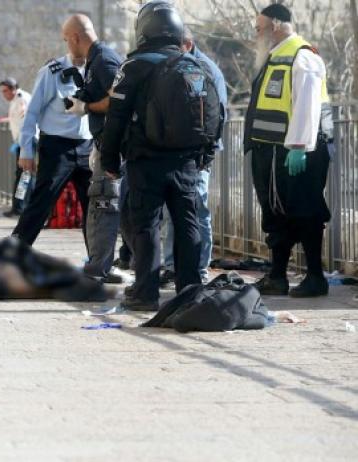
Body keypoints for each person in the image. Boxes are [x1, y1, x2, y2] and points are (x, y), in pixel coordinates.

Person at [101, 1, 222, 311]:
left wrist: (109, 160)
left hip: (146, 160)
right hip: (187, 162)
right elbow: (214, 115)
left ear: (144, 30)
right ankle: (190, 292)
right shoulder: (195, 65)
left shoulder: (133, 67)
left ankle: (145, 293)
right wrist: (205, 157)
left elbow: (115, 118)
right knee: (187, 223)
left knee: (146, 225)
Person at [244, 4, 331, 297]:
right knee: (275, 215)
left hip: (296, 153)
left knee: (306, 212)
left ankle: (316, 277)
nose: (256, 34)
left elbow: (308, 105)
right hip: (270, 153)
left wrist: (299, 146)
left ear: (276, 25)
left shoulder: (302, 55)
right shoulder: (274, 56)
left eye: (259, 28)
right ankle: (277, 276)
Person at [160, 26, 228, 285]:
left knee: (197, 208)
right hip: (180, 150)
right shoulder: (179, 66)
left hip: (199, 152)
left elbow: (215, 115)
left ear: (187, 45)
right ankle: (172, 265)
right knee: (175, 211)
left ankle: (199, 267)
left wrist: (205, 151)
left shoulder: (205, 69)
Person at [60, 14, 124, 284]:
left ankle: (98, 269)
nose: (67, 45)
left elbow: (117, 100)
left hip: (111, 147)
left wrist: (85, 107)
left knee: (102, 205)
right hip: (106, 143)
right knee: (107, 206)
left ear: (76, 37)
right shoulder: (97, 59)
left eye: (66, 40)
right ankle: (108, 265)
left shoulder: (104, 60)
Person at [11, 53, 92, 246]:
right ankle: (13, 252)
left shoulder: (95, 70)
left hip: (87, 146)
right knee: (41, 203)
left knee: (94, 208)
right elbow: (32, 113)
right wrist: (26, 151)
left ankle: (98, 260)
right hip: (57, 147)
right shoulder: (51, 72)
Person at [0, 77, 33, 218]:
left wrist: (21, 142)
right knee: (22, 175)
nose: (3, 94)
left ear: (13, 89)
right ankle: (19, 206)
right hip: (21, 142)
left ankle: (22, 207)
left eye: (5, 91)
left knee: (25, 176)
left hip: (26, 142)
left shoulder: (21, 99)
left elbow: (25, 121)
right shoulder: (15, 100)